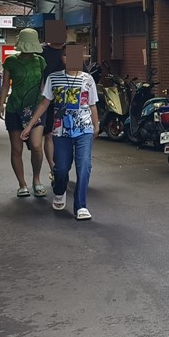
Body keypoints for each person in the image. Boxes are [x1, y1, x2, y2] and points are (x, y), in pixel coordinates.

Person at [22, 49, 99, 221]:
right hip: (61, 129)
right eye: (66, 55)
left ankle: (81, 206)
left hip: (84, 129)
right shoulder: (54, 78)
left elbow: (92, 104)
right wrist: (30, 125)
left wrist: (96, 125)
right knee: (61, 168)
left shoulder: (88, 79)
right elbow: (44, 103)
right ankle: (59, 190)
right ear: (63, 58)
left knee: (84, 166)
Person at [0, 29, 47, 198]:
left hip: (36, 109)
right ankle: (22, 184)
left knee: (36, 146)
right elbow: (5, 85)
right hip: (14, 107)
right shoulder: (10, 61)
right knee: (16, 149)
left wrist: (46, 103)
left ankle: (36, 179)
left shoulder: (41, 61)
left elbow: (43, 85)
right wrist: (1, 104)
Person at [41, 38, 66, 174]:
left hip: (70, 102)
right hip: (48, 100)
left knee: (67, 138)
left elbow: (82, 73)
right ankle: (54, 170)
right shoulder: (41, 51)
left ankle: (63, 167)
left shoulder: (70, 50)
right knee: (50, 135)